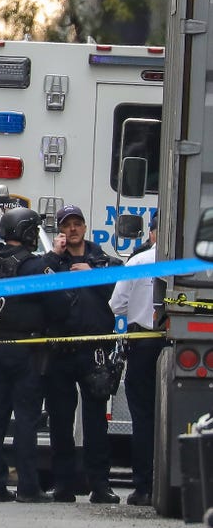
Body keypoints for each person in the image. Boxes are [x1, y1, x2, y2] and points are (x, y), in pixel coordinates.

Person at [0, 207, 69, 503]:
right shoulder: (33, 266)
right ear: (29, 233)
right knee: (26, 420)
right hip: (24, 351)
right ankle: (28, 488)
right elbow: (61, 304)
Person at [42, 204, 122, 504]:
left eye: (77, 224)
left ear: (85, 227)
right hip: (60, 352)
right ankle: (63, 484)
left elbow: (120, 280)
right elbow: (36, 281)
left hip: (94, 353)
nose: (72, 229)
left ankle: (100, 485)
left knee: (96, 424)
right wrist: (54, 256)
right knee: (61, 422)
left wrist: (93, 273)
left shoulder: (102, 261)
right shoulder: (53, 263)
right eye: (67, 225)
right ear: (60, 230)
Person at [109, 211, 166, 506]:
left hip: (143, 344)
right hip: (176, 343)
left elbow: (117, 304)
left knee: (143, 418)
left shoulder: (138, 262)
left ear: (153, 233)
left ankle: (144, 487)